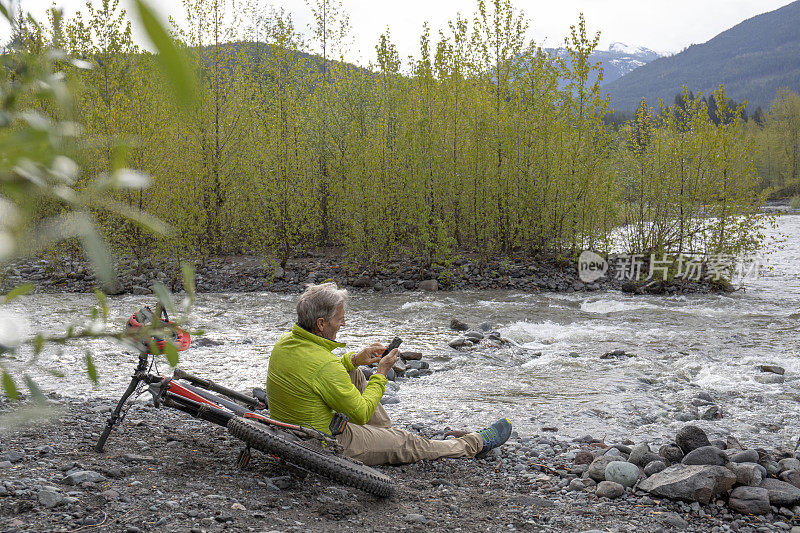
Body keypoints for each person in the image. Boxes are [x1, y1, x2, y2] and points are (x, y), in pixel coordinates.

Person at [266, 282, 512, 466]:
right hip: (323, 441)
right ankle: (472, 445)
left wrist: (354, 359)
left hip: (292, 427)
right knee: (408, 443)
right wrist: (381, 373)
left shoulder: (287, 341)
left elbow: (317, 373)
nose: (343, 324)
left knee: (354, 373)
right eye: (339, 320)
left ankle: (384, 435)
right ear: (321, 324)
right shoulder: (323, 364)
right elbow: (361, 413)